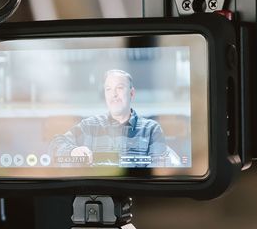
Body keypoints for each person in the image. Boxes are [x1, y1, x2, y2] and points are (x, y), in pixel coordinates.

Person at [51, 68, 182, 166]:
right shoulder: (89, 126)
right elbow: (55, 145)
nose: (113, 94)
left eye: (119, 88)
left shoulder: (151, 130)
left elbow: (157, 173)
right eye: (108, 89)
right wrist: (73, 151)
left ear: (131, 93)